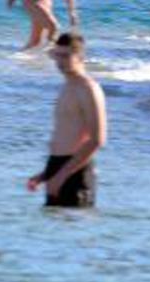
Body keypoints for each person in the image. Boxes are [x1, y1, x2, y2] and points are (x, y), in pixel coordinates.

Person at [27, 33, 106, 209]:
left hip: (76, 173)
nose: (60, 62)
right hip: (56, 167)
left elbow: (97, 140)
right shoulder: (67, 86)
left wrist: (61, 176)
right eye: (57, 55)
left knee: (74, 224)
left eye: (66, 56)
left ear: (80, 57)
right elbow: (68, 134)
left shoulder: (88, 88)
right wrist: (45, 174)